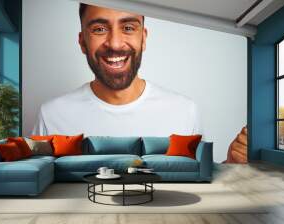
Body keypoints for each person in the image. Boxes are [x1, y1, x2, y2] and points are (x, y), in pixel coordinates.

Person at [32, 3, 201, 137]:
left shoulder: (184, 111)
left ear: (143, 39)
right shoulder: (51, 116)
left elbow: (199, 179)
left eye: (128, 28)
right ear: (83, 42)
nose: (114, 44)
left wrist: (227, 169)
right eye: (99, 29)